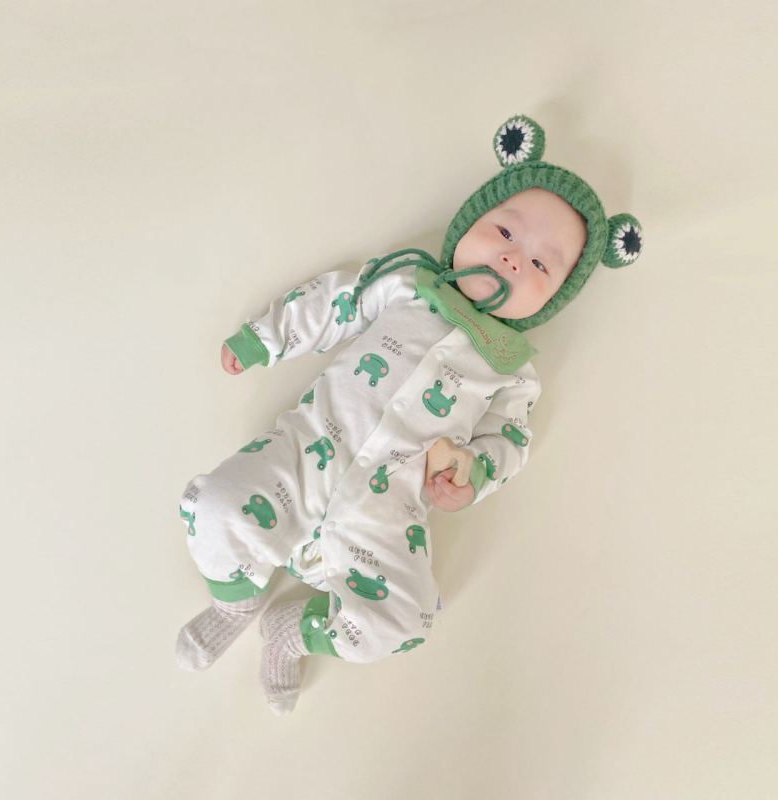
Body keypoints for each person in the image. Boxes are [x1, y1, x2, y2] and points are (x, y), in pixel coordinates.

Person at [175, 113, 644, 715]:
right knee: (217, 507)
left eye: (541, 265)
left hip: (386, 512)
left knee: (405, 620)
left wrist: (472, 473)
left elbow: (510, 442)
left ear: (553, 299)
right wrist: (264, 339)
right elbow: (336, 303)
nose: (513, 259)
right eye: (505, 232)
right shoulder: (408, 284)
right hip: (308, 450)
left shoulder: (512, 373)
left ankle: (292, 631)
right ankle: (236, 603)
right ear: (470, 222)